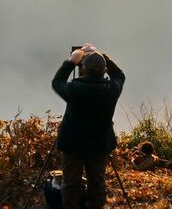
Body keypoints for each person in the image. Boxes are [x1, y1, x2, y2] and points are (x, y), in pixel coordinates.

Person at [51, 43, 125, 209]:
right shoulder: (111, 90)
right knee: (97, 181)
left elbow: (57, 82)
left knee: (71, 182)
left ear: (82, 69)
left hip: (73, 144)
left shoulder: (74, 90)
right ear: (104, 70)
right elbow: (119, 75)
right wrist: (101, 56)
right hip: (100, 145)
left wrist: (71, 61)